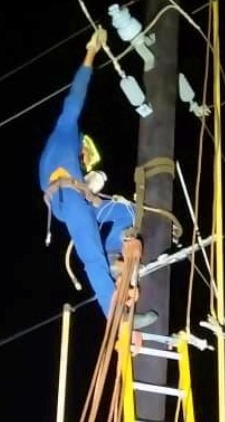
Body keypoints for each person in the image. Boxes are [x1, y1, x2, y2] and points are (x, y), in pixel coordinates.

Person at [39, 27, 158, 330]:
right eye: (86, 157)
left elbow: (85, 183)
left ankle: (114, 258)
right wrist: (91, 52)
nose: (86, 161)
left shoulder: (75, 167)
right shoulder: (65, 135)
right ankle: (117, 318)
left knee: (124, 210)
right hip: (66, 200)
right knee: (92, 256)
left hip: (77, 197)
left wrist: (88, 187)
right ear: (81, 148)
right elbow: (75, 96)